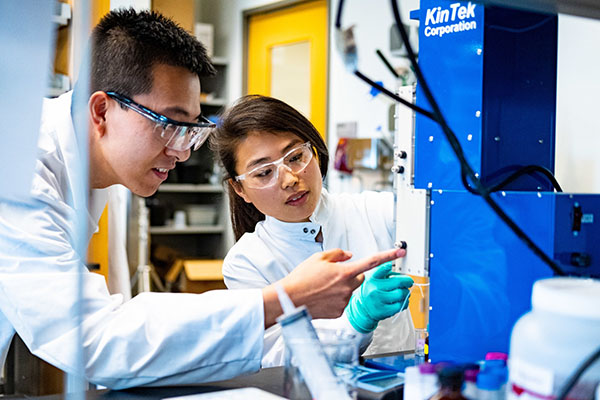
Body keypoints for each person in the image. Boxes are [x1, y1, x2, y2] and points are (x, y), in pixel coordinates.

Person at [0, 9, 404, 389]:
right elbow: (90, 337)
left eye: (191, 130)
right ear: (102, 110)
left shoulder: (91, 167)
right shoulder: (17, 167)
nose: (183, 150)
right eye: (169, 125)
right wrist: (288, 297)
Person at [210, 95, 415, 367]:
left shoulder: (377, 211)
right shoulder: (247, 262)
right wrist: (356, 320)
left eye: (296, 157)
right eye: (263, 173)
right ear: (240, 189)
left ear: (314, 152)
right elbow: (276, 358)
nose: (290, 179)